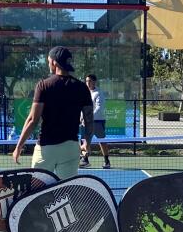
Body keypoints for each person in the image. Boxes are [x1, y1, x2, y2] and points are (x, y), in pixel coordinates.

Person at [11, 45, 93, 179]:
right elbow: (89, 120)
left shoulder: (43, 85)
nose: (48, 63)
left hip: (46, 148)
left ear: (54, 62)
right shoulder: (82, 87)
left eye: (49, 60)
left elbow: (33, 120)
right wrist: (87, 143)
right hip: (71, 148)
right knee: (66, 193)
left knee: (38, 191)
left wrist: (19, 146)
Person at [81, 73, 110, 169]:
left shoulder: (99, 93)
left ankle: (107, 161)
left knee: (101, 141)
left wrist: (89, 118)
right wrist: (82, 118)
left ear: (94, 82)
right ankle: (85, 160)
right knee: (85, 141)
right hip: (85, 122)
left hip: (98, 121)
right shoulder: (85, 93)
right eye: (86, 81)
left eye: (89, 81)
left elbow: (99, 108)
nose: (88, 83)